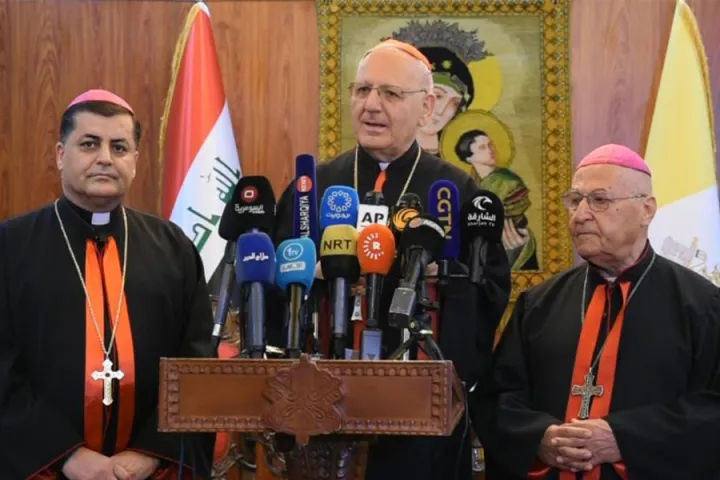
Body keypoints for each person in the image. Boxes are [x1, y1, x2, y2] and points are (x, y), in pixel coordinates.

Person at [270, 40, 512, 479]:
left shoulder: (457, 192)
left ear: (427, 108)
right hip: (321, 410)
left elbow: (489, 291)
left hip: (418, 416)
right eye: (362, 90)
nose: (371, 105)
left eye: (391, 94)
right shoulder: (315, 187)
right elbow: (274, 286)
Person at [0, 89, 215, 479]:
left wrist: (149, 454)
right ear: (61, 155)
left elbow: (196, 364)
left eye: (119, 147)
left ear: (134, 161)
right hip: (41, 468)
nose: (105, 158)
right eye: (89, 144)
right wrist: (66, 457)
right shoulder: (10, 246)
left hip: (150, 471)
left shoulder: (174, 248)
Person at [474, 143, 720, 479]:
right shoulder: (538, 304)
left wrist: (625, 439)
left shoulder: (702, 305)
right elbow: (496, 399)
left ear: (647, 210)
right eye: (575, 200)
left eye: (600, 200)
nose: (580, 215)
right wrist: (539, 438)